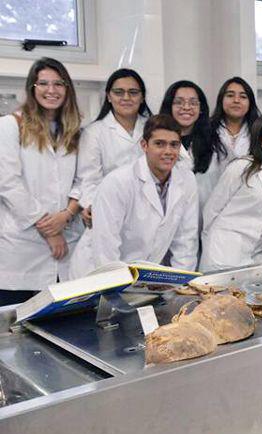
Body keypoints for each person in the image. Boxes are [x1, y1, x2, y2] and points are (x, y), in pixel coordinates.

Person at [69, 115, 199, 278]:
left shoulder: (187, 180)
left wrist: (183, 284)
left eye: (174, 145)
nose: (168, 151)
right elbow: (106, 248)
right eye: (159, 144)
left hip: (142, 275)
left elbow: (186, 240)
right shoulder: (118, 181)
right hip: (97, 273)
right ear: (144, 145)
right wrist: (116, 288)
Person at [0, 58, 85, 305]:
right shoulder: (10, 125)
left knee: (60, 329)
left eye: (59, 84)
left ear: (67, 89)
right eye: (44, 83)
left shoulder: (75, 129)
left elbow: (83, 179)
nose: (51, 90)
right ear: (32, 88)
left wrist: (66, 215)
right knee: (14, 332)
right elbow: (7, 182)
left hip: (67, 246)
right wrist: (48, 228)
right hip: (22, 250)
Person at [200, 113, 262, 271]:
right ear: (261, 142)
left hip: (255, 256)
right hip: (221, 252)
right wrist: (211, 243)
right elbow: (212, 209)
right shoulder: (242, 167)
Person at [79, 68, 151, 224]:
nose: (126, 97)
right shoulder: (94, 133)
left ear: (142, 97)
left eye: (133, 92)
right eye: (119, 92)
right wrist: (93, 207)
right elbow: (89, 180)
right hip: (110, 210)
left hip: (151, 209)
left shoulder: (154, 128)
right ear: (109, 97)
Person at [199, 77, 260, 207]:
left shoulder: (259, 133)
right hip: (207, 201)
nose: (236, 100)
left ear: (250, 103)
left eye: (243, 97)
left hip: (244, 206)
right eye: (230, 95)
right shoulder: (204, 130)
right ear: (221, 100)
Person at [158, 80, 214, 176]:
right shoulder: (156, 139)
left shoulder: (214, 141)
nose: (186, 107)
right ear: (169, 106)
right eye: (179, 102)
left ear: (201, 109)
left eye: (193, 103)